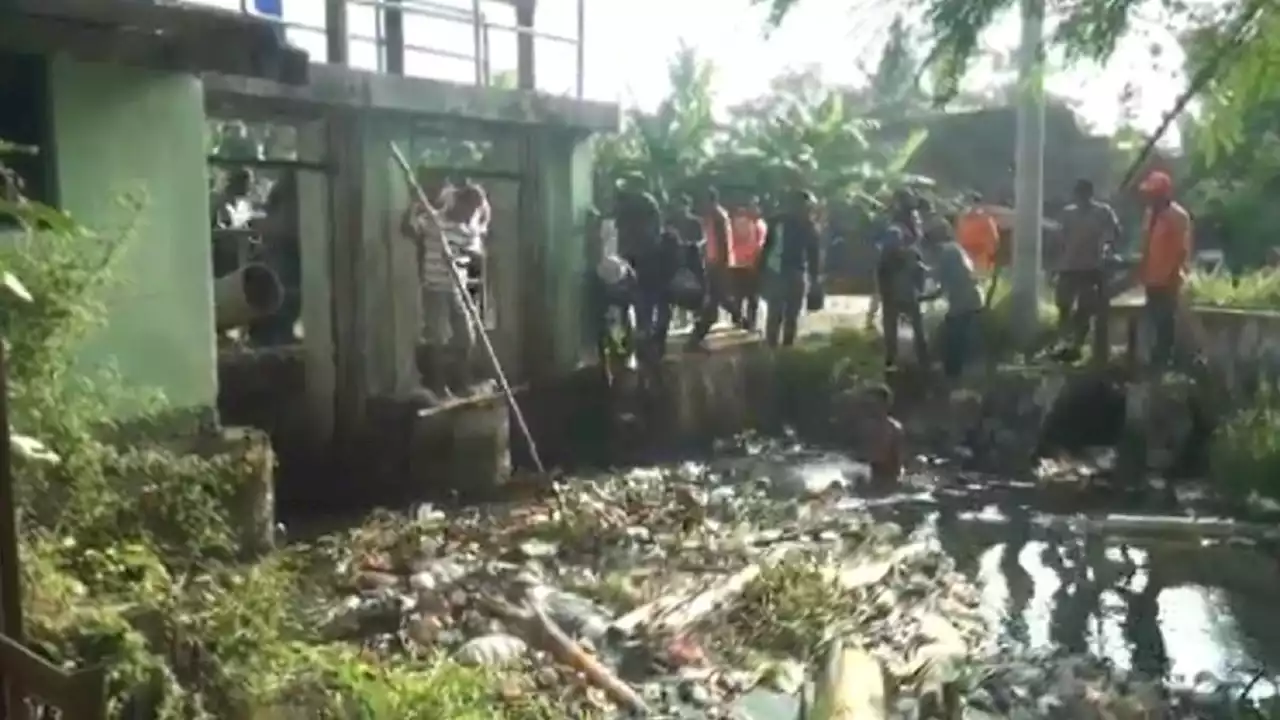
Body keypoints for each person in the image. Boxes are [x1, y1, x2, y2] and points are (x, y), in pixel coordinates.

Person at [402, 173, 487, 402]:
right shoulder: (434, 221)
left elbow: (474, 256)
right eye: (468, 209)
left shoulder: (467, 230)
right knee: (437, 340)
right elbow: (407, 229)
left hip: (457, 289)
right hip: (435, 288)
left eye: (474, 212)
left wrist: (458, 258)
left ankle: (461, 382)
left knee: (466, 337)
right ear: (459, 203)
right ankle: (439, 387)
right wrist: (414, 203)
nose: (470, 215)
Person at [1052, 179, 1122, 363]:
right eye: (1078, 195)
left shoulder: (1103, 212)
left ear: (1090, 195)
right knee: (1063, 305)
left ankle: (1077, 345)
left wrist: (1106, 247)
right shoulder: (1068, 213)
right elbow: (1059, 238)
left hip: (1091, 267)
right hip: (1069, 266)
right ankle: (1062, 344)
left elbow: (1114, 232)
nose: (1081, 199)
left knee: (1085, 307)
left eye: (1084, 195)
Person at [1135, 170, 1192, 370]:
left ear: (1164, 194)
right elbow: (1146, 244)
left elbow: (1182, 250)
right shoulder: (1150, 215)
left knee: (1165, 321)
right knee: (1152, 320)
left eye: (1154, 193)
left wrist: (1173, 274)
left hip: (1169, 278)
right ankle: (1152, 361)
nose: (1150, 197)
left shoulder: (1178, 216)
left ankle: (1164, 362)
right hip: (1151, 277)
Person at [757, 189, 822, 348]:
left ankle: (779, 347)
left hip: (787, 272)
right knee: (783, 313)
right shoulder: (804, 225)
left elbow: (813, 255)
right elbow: (767, 247)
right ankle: (781, 347)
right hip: (786, 272)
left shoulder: (799, 224)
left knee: (783, 313)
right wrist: (814, 279)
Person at [920, 220, 984, 379]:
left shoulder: (945, 253)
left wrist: (920, 297)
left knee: (954, 339)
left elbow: (938, 283)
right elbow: (943, 286)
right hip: (970, 298)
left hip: (964, 302)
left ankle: (953, 375)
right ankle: (956, 374)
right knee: (957, 338)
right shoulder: (954, 249)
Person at [688, 187, 746, 350]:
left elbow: (723, 243)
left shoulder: (718, 216)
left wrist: (718, 264)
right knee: (720, 298)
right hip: (715, 263)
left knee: (714, 301)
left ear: (710, 200)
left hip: (718, 264)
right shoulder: (713, 216)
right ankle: (741, 319)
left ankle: (696, 339)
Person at [877, 189, 929, 369]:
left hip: (896, 280)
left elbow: (889, 254)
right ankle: (920, 361)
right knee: (914, 321)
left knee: (895, 322)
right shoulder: (906, 226)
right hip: (903, 280)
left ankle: (894, 362)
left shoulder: (897, 228)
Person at [614, 174, 663, 340]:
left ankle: (634, 331)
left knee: (631, 295)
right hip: (642, 255)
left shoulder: (635, 203)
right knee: (642, 296)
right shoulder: (649, 203)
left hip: (634, 255)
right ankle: (643, 330)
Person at [729, 196, 768, 330]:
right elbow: (759, 245)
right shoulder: (753, 224)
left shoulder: (741, 223)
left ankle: (742, 321)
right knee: (748, 296)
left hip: (742, 263)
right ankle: (746, 322)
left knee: (743, 295)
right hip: (747, 264)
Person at [856, 383, 904, 488]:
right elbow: (866, 455)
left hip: (889, 478)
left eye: (874, 402)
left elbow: (899, 458)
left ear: (884, 404)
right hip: (874, 475)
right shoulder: (869, 426)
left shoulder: (894, 428)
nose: (871, 406)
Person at [954, 193, 1001, 273]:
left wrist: (990, 252)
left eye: (973, 203)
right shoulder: (962, 218)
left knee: (978, 274)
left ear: (979, 205)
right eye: (969, 203)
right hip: (965, 252)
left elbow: (993, 237)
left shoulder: (986, 219)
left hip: (981, 254)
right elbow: (958, 235)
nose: (971, 206)